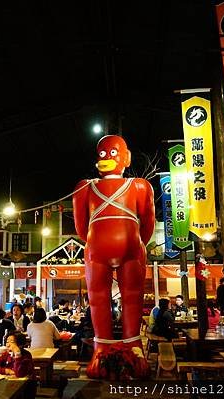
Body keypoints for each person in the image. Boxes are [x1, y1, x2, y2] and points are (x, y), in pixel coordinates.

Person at [72, 134, 155, 379]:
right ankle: (119, 348)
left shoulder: (138, 186)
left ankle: (115, 348)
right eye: (102, 154)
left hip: (102, 248)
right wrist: (136, 242)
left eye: (111, 153)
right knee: (125, 297)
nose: (107, 158)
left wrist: (102, 240)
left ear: (126, 158)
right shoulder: (87, 187)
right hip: (122, 247)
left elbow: (81, 228)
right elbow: (147, 225)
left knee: (106, 298)